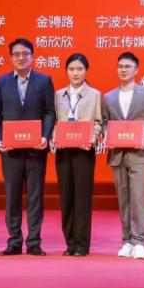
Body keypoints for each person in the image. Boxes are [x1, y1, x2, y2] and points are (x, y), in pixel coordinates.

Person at [0, 37, 56, 256]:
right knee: (12, 196)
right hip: (10, 151)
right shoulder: (1, 82)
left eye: (25, 54)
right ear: (11, 58)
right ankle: (14, 241)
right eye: (16, 54)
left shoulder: (44, 81)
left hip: (36, 149)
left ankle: (34, 241)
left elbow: (49, 112)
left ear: (32, 56)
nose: (21, 57)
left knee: (35, 196)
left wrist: (45, 135)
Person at [102, 51, 144, 259]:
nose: (123, 70)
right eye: (121, 66)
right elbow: (105, 122)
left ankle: (140, 242)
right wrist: (105, 134)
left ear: (136, 70)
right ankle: (126, 241)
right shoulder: (108, 97)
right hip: (117, 154)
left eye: (128, 66)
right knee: (123, 199)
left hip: (139, 153)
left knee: (138, 199)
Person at [52, 53, 104, 256]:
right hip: (63, 151)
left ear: (86, 71)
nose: (75, 73)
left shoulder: (95, 95)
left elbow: (99, 122)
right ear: (66, 71)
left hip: (84, 151)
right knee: (66, 197)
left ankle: (82, 244)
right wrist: (55, 137)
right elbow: (54, 122)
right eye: (72, 69)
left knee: (82, 197)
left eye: (80, 69)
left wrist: (92, 137)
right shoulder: (58, 95)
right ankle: (70, 242)